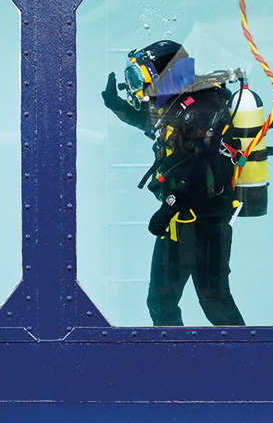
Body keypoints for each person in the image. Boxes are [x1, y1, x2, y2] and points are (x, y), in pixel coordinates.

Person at [102, 40, 245, 327]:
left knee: (214, 299)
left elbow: (201, 168)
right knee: (160, 300)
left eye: (137, 78)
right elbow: (150, 121)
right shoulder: (177, 103)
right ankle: (173, 363)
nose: (134, 88)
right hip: (178, 220)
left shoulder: (202, 108)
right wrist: (117, 106)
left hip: (206, 220)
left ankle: (251, 366)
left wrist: (168, 208)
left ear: (161, 75)